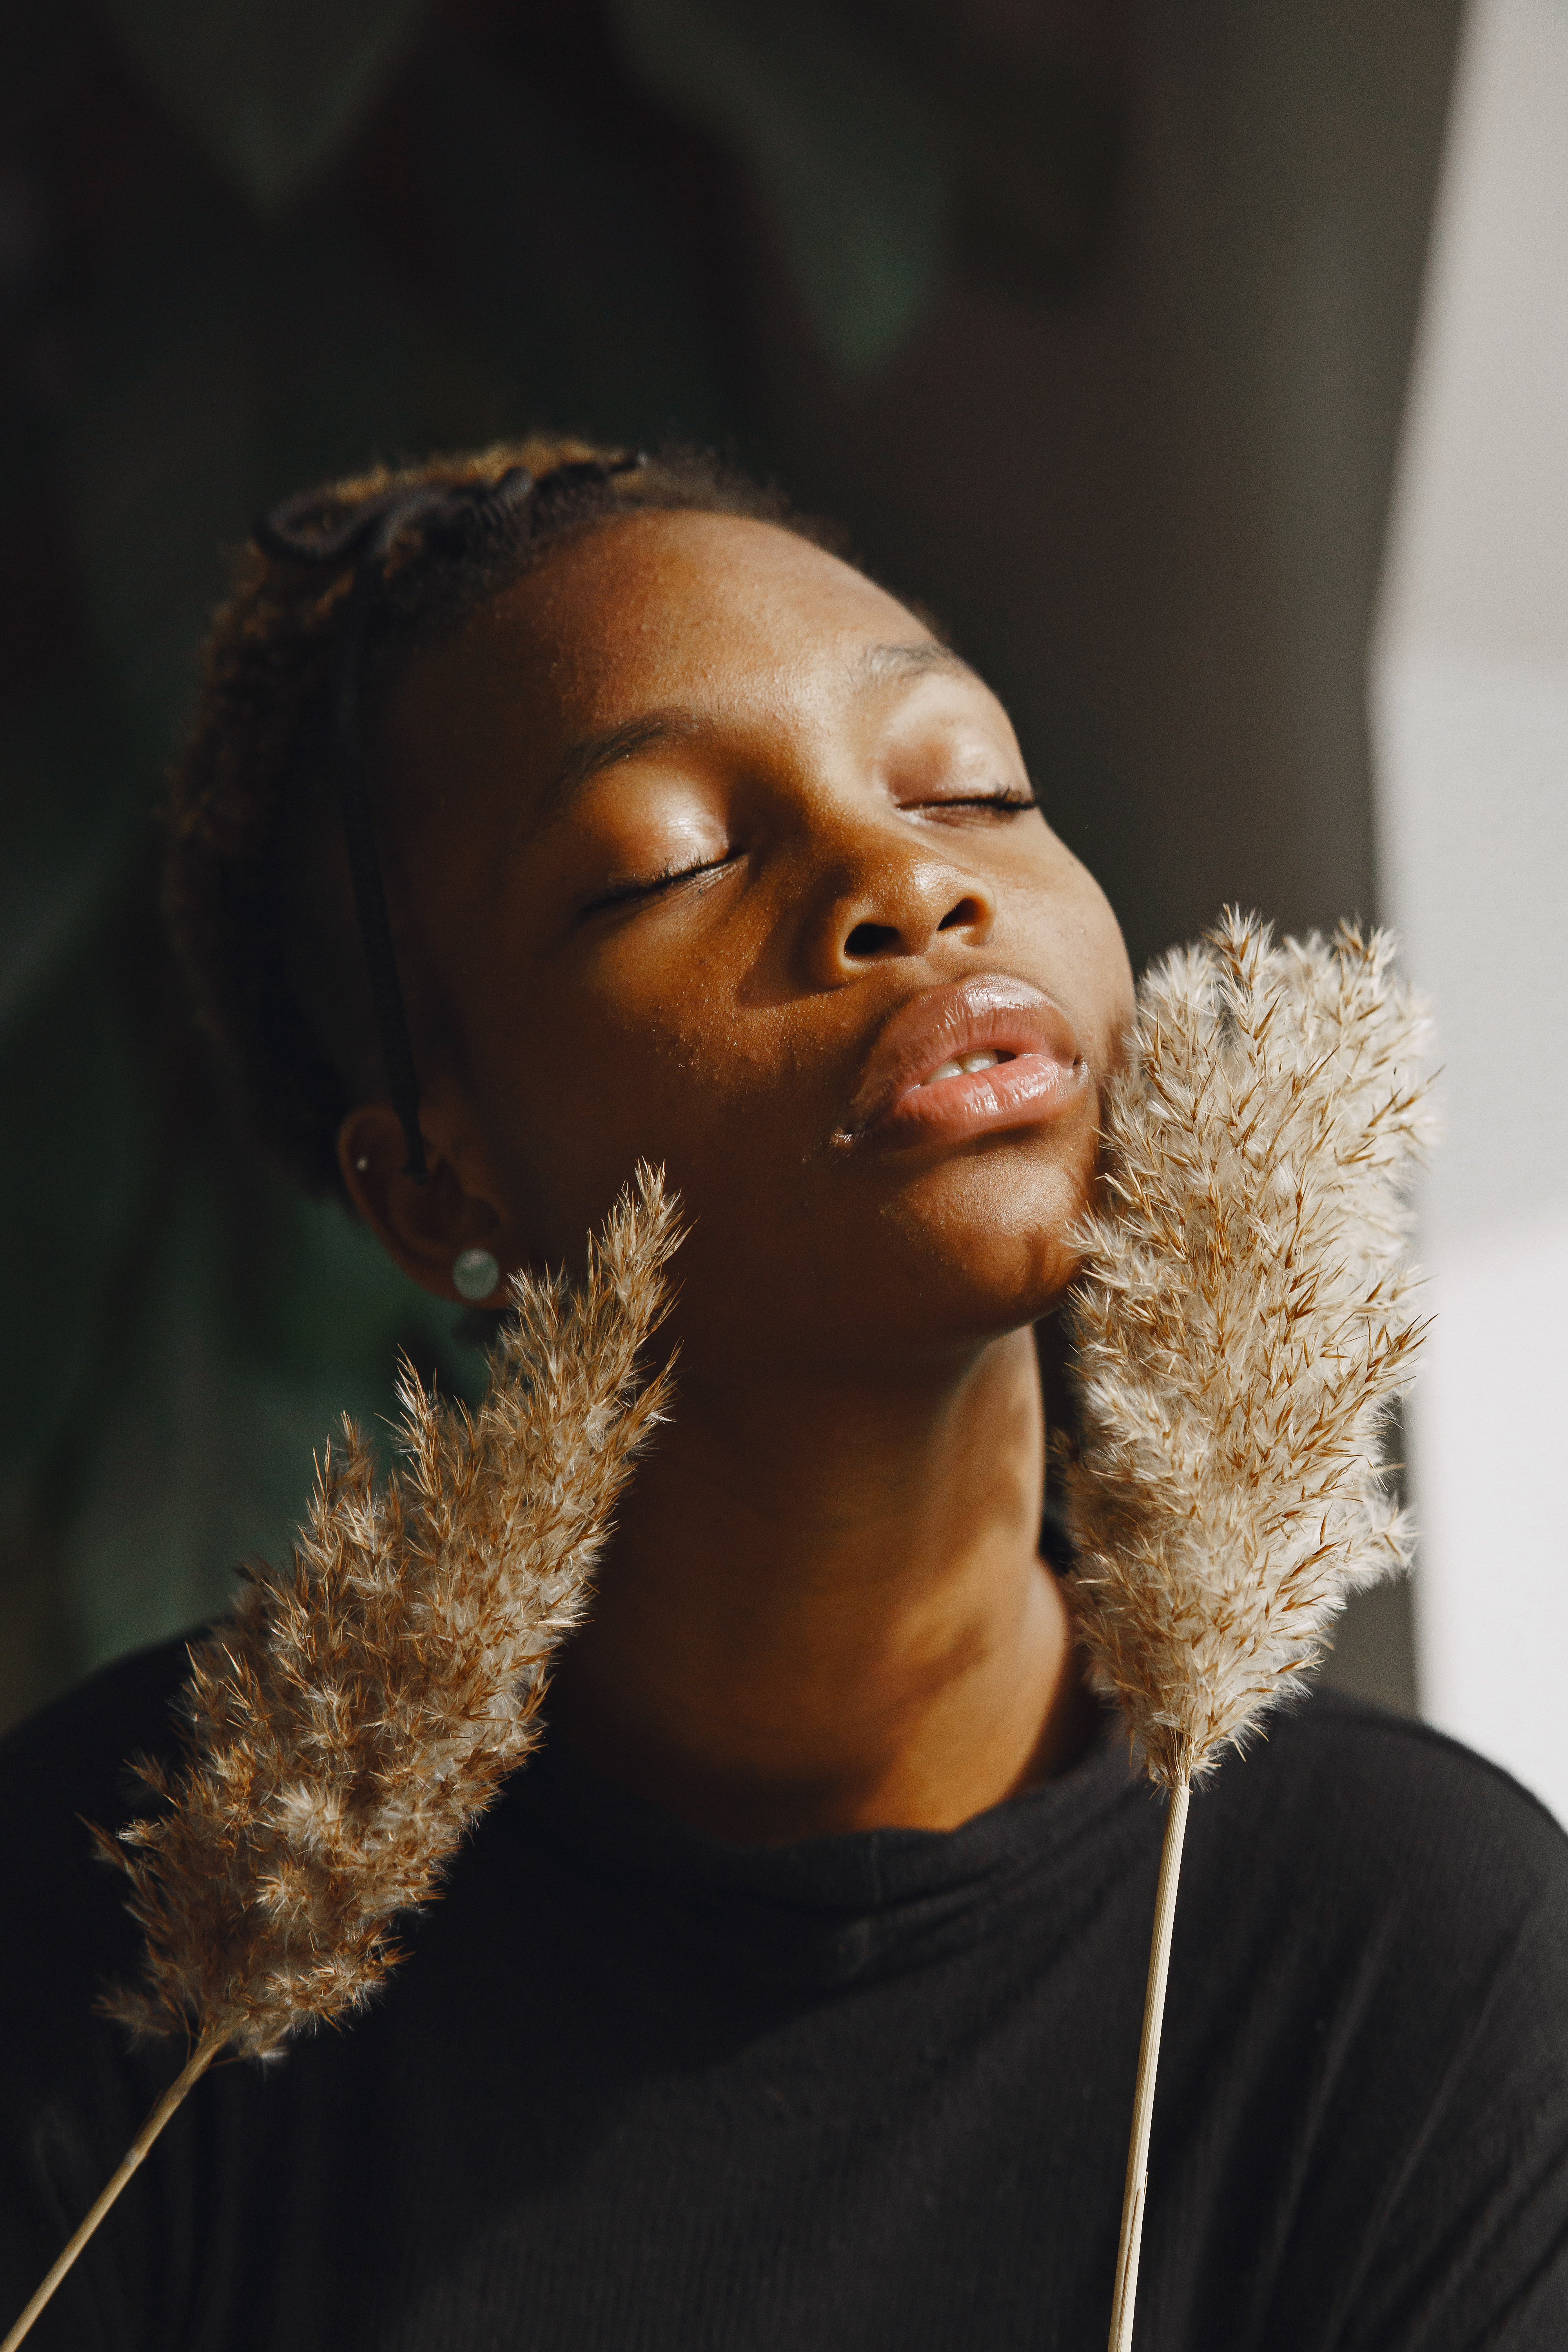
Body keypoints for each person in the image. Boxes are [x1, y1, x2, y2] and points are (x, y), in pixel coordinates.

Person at [2, 440, 1565, 2352]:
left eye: (970, 784)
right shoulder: (134, 1930)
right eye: (668, 860)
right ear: (434, 1186)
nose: (907, 879)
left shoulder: (1400, 1947)